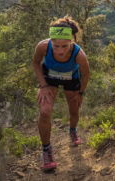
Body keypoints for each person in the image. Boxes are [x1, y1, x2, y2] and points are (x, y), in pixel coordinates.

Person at [32, 15, 90, 171]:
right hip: (49, 79)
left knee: (74, 110)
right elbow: (36, 62)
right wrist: (43, 85)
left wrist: (81, 93)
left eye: (64, 46)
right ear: (50, 41)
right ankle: (46, 150)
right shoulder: (43, 46)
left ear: (72, 41)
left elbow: (87, 74)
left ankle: (73, 131)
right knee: (45, 112)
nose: (59, 51)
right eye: (55, 46)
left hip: (71, 78)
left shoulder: (79, 55)